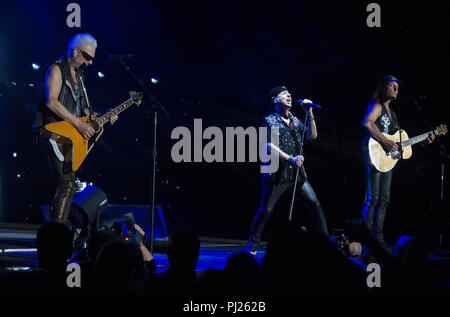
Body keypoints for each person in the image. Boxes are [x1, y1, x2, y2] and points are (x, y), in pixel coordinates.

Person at [33, 33, 118, 225]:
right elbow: (52, 102)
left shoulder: (80, 76)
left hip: (68, 135)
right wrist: (79, 124)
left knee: (69, 184)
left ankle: (60, 229)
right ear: (75, 51)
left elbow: (84, 110)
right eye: (87, 57)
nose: (90, 63)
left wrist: (101, 117)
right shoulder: (56, 69)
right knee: (67, 183)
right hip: (50, 133)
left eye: (92, 59)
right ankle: (56, 234)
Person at [246, 86, 329, 255]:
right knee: (266, 210)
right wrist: (290, 158)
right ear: (274, 100)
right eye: (284, 94)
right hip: (276, 174)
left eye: (290, 93)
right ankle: (252, 247)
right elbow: (268, 146)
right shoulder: (268, 121)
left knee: (314, 203)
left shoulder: (296, 120)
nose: (289, 95)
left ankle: (326, 243)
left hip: (297, 174)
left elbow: (312, 136)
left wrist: (310, 114)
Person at [361, 75, 435, 253]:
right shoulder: (376, 106)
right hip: (375, 153)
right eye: (391, 86)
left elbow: (399, 141)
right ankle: (366, 240)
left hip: (387, 160)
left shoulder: (392, 113)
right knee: (373, 198)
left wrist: (424, 141)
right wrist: (385, 143)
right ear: (382, 88)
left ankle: (377, 240)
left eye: (397, 87)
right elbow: (368, 124)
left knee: (384, 200)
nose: (396, 89)